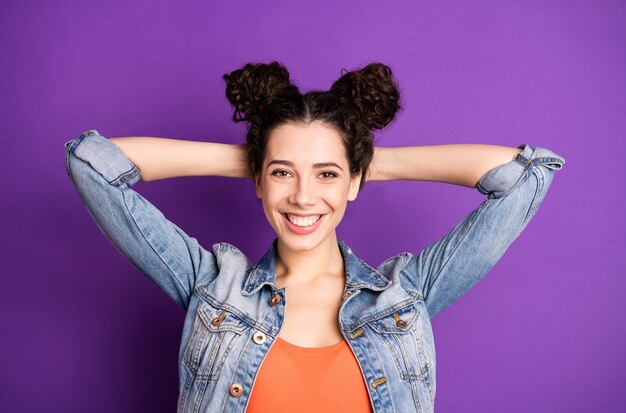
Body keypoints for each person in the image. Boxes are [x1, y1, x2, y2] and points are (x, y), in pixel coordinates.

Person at [64, 61, 565, 413]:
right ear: (257, 180)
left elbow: (528, 175)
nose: (303, 197)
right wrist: (257, 159)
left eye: (326, 176)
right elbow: (91, 164)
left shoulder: (405, 295)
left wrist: (365, 164)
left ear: (353, 182)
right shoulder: (212, 287)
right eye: (283, 174)